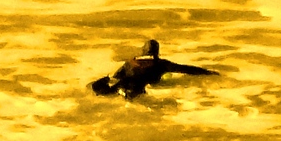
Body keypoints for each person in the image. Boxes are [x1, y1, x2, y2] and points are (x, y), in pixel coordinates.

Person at [89, 40, 219, 99]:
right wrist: (208, 72)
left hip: (122, 84)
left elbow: (116, 77)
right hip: (139, 88)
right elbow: (185, 69)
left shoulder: (130, 62)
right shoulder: (160, 64)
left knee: (112, 88)